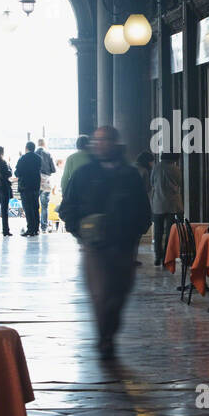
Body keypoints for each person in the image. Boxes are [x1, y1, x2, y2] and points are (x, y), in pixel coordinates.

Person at [60, 126, 152, 358]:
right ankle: (105, 338)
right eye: (97, 140)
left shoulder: (130, 174)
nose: (101, 144)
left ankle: (109, 332)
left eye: (106, 140)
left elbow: (143, 207)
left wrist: (136, 232)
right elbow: (68, 206)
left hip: (123, 245)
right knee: (101, 293)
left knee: (120, 292)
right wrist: (79, 231)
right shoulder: (83, 174)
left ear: (115, 143)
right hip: (96, 246)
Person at [149, 152, 183, 266]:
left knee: (158, 232)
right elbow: (179, 183)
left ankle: (158, 256)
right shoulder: (176, 169)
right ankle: (166, 258)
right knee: (170, 233)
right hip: (173, 205)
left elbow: (152, 182)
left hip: (158, 204)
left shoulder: (156, 167)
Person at [16, 141, 43, 236]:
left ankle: (30, 229)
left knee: (28, 208)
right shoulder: (38, 158)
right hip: (35, 186)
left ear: (26, 148)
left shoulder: (23, 158)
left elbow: (17, 172)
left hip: (25, 186)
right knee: (35, 207)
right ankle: (36, 228)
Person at [35, 138, 57, 232]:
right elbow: (54, 169)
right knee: (44, 206)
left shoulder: (33, 153)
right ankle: (44, 227)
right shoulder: (48, 154)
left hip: (36, 181)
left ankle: (35, 226)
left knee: (35, 205)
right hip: (46, 182)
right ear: (44, 144)